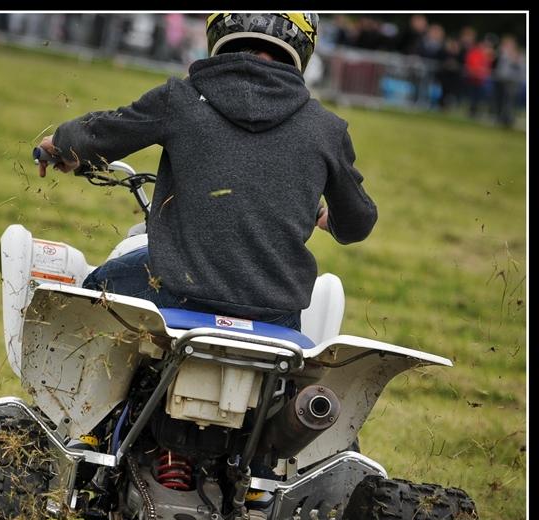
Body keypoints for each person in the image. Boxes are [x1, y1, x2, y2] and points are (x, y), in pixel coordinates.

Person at [36, 12, 378, 332]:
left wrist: (61, 145)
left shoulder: (181, 98)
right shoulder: (326, 128)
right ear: (303, 47)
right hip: (275, 315)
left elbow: (105, 132)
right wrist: (332, 219)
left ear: (222, 33)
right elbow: (358, 222)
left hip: (176, 292)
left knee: (97, 286)